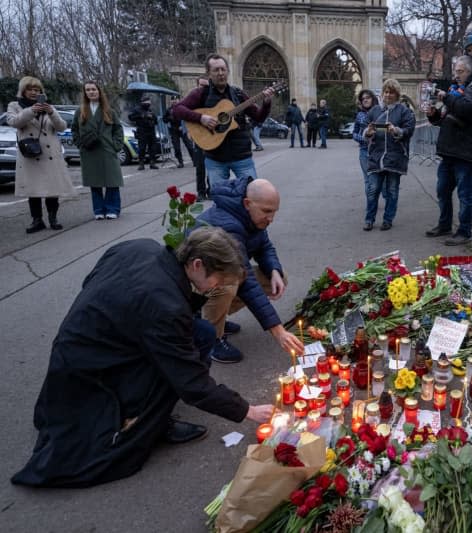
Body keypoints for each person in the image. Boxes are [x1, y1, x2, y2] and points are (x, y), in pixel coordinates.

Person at [11, 227, 275, 488]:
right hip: (92, 368)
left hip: (78, 345)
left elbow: (91, 282)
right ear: (196, 264)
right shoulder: (165, 306)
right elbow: (190, 381)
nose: (217, 287)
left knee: (202, 333)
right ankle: (151, 422)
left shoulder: (139, 247)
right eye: (218, 280)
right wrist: (246, 410)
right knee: (171, 368)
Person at [194, 176, 304, 363]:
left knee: (277, 278)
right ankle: (211, 337)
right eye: (267, 212)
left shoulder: (250, 215)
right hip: (198, 285)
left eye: (274, 212)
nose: (271, 219)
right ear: (247, 203)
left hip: (223, 276)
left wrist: (274, 270)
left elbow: (264, 246)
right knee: (227, 284)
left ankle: (218, 318)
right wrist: (278, 331)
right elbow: (247, 283)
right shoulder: (229, 226)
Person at [173, 53, 277, 188]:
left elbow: (258, 117)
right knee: (221, 200)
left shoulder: (238, 95)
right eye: (216, 70)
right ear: (209, 73)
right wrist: (201, 118)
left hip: (242, 156)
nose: (220, 73)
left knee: (252, 195)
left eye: (223, 69)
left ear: (227, 71)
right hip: (215, 158)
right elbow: (176, 109)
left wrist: (267, 102)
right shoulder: (201, 94)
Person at [424, 55, 472, 245]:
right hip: (449, 150)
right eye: (455, 71)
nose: (456, 75)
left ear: (471, 72)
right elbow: (450, 116)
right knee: (443, 191)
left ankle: (465, 231)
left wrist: (448, 98)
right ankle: (445, 224)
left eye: (460, 72)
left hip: (466, 151)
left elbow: (466, 110)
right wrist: (435, 115)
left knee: (465, 194)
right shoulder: (458, 90)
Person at [7, 76, 76, 233]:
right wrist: (31, 111)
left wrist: (52, 112)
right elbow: (14, 122)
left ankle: (53, 218)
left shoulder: (48, 107)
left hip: (50, 153)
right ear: (23, 91)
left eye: (37, 90)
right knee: (34, 190)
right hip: (30, 154)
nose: (33, 92)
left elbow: (61, 127)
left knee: (52, 189)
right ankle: (37, 220)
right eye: (30, 89)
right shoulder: (14, 105)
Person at [362, 80, 416, 232]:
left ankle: (387, 219)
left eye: (391, 92)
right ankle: (369, 219)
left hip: (395, 157)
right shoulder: (374, 111)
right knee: (372, 189)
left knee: (392, 191)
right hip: (376, 157)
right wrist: (368, 132)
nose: (388, 95)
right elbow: (364, 130)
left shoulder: (404, 111)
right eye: (386, 91)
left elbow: (409, 130)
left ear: (397, 95)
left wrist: (397, 130)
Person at [72, 81, 125, 220]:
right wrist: (80, 144)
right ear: (85, 93)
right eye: (88, 90)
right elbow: (74, 130)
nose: (91, 92)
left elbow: (118, 129)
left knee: (112, 182)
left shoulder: (109, 110)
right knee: (94, 183)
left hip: (108, 150)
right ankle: (99, 210)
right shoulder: (80, 110)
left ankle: (112, 208)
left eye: (93, 89)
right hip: (89, 151)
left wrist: (116, 145)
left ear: (99, 91)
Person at [352, 89, 381, 202]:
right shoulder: (359, 115)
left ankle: (380, 198)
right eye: (363, 99)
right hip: (364, 151)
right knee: (368, 180)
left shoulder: (381, 112)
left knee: (379, 181)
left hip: (379, 150)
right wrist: (364, 139)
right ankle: (371, 205)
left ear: (373, 98)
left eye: (367, 98)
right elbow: (354, 133)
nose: (365, 100)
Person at [128, 95, 159, 171]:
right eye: (147, 102)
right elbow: (130, 117)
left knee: (152, 148)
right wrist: (141, 116)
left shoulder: (150, 110)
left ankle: (152, 163)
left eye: (149, 102)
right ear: (142, 102)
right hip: (142, 131)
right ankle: (141, 163)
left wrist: (152, 117)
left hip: (151, 131)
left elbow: (156, 121)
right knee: (142, 148)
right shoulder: (137, 110)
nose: (148, 103)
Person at [164, 96, 194, 168]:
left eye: (175, 100)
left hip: (182, 129)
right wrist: (169, 118)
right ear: (171, 101)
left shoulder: (183, 107)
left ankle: (194, 160)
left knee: (189, 145)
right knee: (176, 147)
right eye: (172, 100)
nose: (174, 101)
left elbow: (188, 116)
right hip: (174, 130)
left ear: (178, 100)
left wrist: (183, 126)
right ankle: (180, 162)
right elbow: (164, 119)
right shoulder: (169, 110)